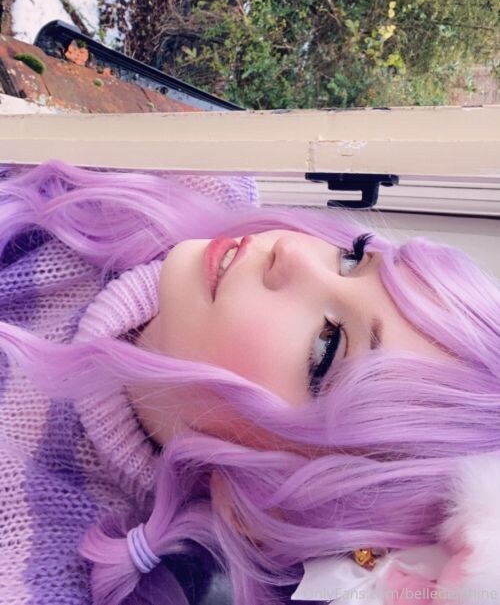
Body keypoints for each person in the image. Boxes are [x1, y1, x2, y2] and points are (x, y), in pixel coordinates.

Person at [0, 160, 499, 605]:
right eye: (353, 259)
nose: (292, 251)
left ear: (267, 508)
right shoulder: (198, 171)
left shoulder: (36, 563)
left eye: (326, 346)